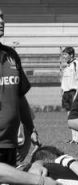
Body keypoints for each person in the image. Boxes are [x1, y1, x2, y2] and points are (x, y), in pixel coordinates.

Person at [0, 8, 36, 166]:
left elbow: (19, 96)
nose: (1, 21)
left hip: (9, 142)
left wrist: (30, 129)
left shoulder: (11, 55)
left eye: (1, 16)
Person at [60, 47, 78, 144]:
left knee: (75, 116)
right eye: (63, 55)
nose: (64, 57)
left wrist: (77, 93)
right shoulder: (66, 66)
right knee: (69, 116)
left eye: (65, 55)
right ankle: (73, 138)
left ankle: (77, 139)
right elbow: (64, 80)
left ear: (71, 55)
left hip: (73, 92)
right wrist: (62, 91)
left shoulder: (77, 64)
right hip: (66, 93)